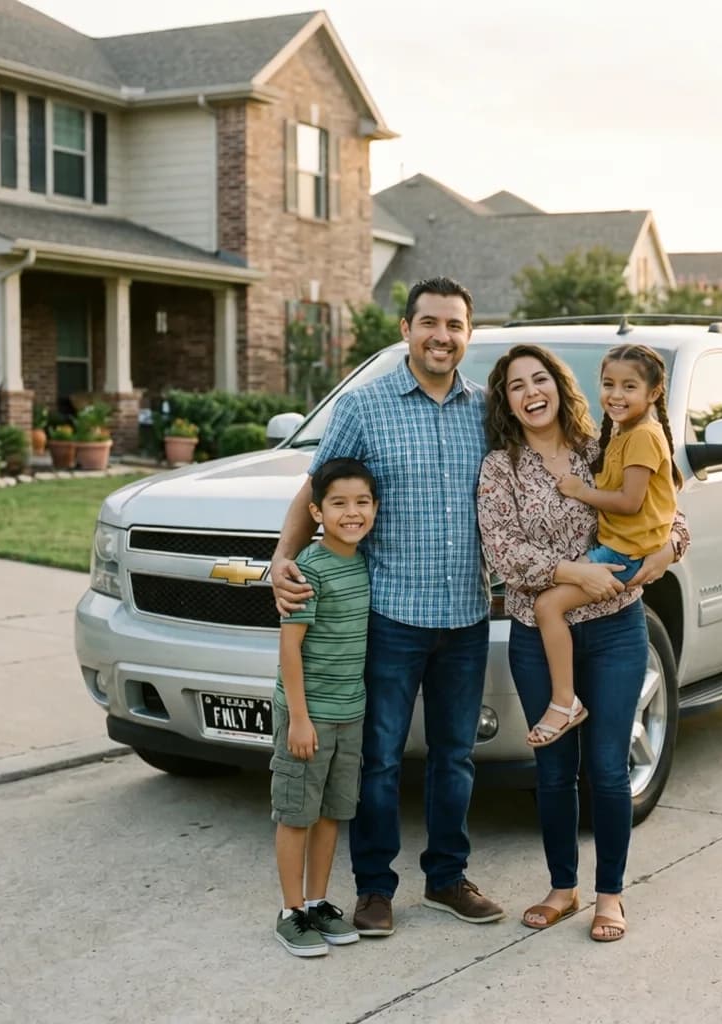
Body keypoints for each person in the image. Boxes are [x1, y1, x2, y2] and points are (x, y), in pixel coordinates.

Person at [271, 277, 504, 939]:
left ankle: (448, 878)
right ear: (406, 328)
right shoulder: (367, 406)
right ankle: (374, 889)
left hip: (465, 614)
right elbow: (314, 488)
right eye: (429, 322)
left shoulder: (487, 411)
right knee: (377, 760)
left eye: (455, 325)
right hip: (392, 617)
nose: (442, 336)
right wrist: (279, 561)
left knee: (455, 757)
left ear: (468, 333)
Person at [477, 343, 689, 943]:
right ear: (507, 401)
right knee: (552, 770)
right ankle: (563, 888)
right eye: (516, 385)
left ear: (558, 385)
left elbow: (671, 512)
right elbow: (505, 554)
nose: (530, 392)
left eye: (539, 378)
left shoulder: (604, 444)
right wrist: (579, 574)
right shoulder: (501, 468)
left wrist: (663, 553)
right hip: (537, 636)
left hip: (617, 630)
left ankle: (610, 896)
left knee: (606, 767)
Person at [528, 343, 682, 747]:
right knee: (557, 595)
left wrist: (580, 491)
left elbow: (631, 502)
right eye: (608, 383)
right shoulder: (622, 433)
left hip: (624, 555)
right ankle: (567, 697)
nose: (615, 394)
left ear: (653, 392)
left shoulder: (642, 437)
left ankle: (564, 702)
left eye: (629, 386)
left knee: (547, 605)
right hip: (619, 548)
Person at [272, 458, 379, 957]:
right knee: (297, 813)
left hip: (349, 712)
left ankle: (317, 902)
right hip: (308, 713)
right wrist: (298, 717)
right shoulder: (307, 569)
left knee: (334, 811)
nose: (351, 513)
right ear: (316, 511)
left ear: (376, 508)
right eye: (338, 503)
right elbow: (289, 647)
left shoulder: (363, 562)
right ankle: (290, 911)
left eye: (362, 502)